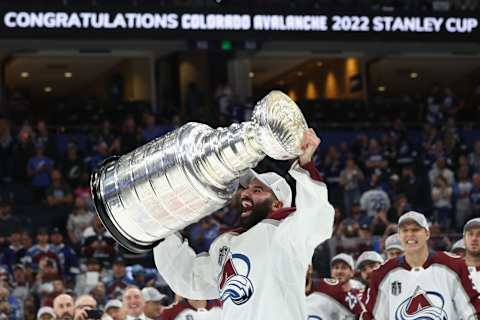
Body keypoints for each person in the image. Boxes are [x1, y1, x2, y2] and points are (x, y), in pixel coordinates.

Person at [153, 129, 335, 319]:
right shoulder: (226, 245)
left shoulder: (287, 233)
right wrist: (164, 222)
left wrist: (305, 163)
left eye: (257, 190)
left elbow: (317, 216)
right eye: (246, 189)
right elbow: (188, 278)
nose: (244, 194)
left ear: (277, 204)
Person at [360, 211, 480, 319]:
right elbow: (372, 316)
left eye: (415, 229)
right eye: (405, 230)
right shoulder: (383, 273)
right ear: (399, 236)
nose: (410, 234)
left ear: (427, 234)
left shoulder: (453, 266)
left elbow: (471, 311)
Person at [463, 218, 480, 292]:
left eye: (479, 234)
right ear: (464, 238)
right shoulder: (450, 271)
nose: (474, 238)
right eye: (470, 234)